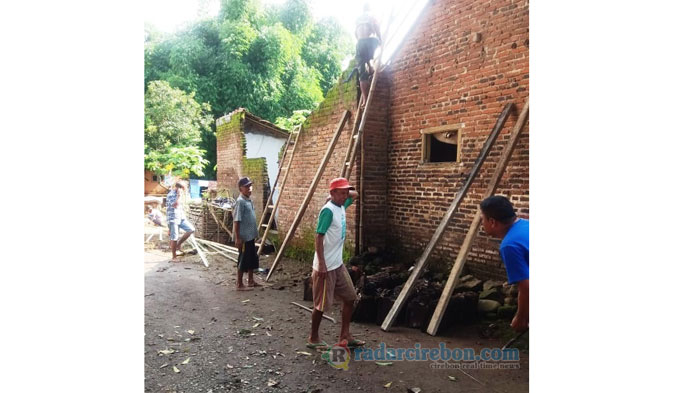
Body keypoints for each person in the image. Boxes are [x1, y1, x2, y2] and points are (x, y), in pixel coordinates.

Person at [307, 177, 365, 350]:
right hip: (325, 266)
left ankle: (345, 335)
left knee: (350, 297)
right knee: (321, 305)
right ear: (332, 193)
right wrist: (322, 264)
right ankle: (313, 337)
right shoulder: (328, 211)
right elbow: (318, 237)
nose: (345, 195)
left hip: (337, 264)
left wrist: (344, 192)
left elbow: (356, 194)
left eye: (345, 192)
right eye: (341, 192)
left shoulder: (341, 205)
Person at [479, 195, 529, 332]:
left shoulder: (509, 246)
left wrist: (521, 317)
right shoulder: (526, 224)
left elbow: (526, 287)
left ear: (493, 222)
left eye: (483, 219)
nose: (482, 223)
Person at [233, 177, 260, 291]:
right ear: (241, 188)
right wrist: (238, 238)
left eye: (250, 186)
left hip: (250, 235)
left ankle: (251, 280)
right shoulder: (240, 202)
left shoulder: (248, 200)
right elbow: (237, 220)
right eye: (247, 187)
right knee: (243, 259)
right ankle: (239, 284)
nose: (250, 189)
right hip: (244, 237)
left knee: (251, 258)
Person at [354, 3, 381, 108]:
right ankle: (370, 64)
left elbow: (355, 33)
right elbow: (376, 27)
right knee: (375, 43)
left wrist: (361, 41)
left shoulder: (358, 19)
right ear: (369, 8)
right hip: (371, 41)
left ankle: (364, 100)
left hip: (360, 42)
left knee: (362, 75)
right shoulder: (371, 15)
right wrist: (380, 39)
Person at [166, 181, 195, 262]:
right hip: (173, 218)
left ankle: (178, 245)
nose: (184, 191)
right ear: (179, 188)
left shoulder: (178, 194)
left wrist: (179, 195)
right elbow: (175, 205)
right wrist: (178, 196)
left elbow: (179, 207)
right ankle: (174, 257)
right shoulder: (172, 194)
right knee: (174, 237)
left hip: (180, 217)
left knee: (191, 229)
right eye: (183, 189)